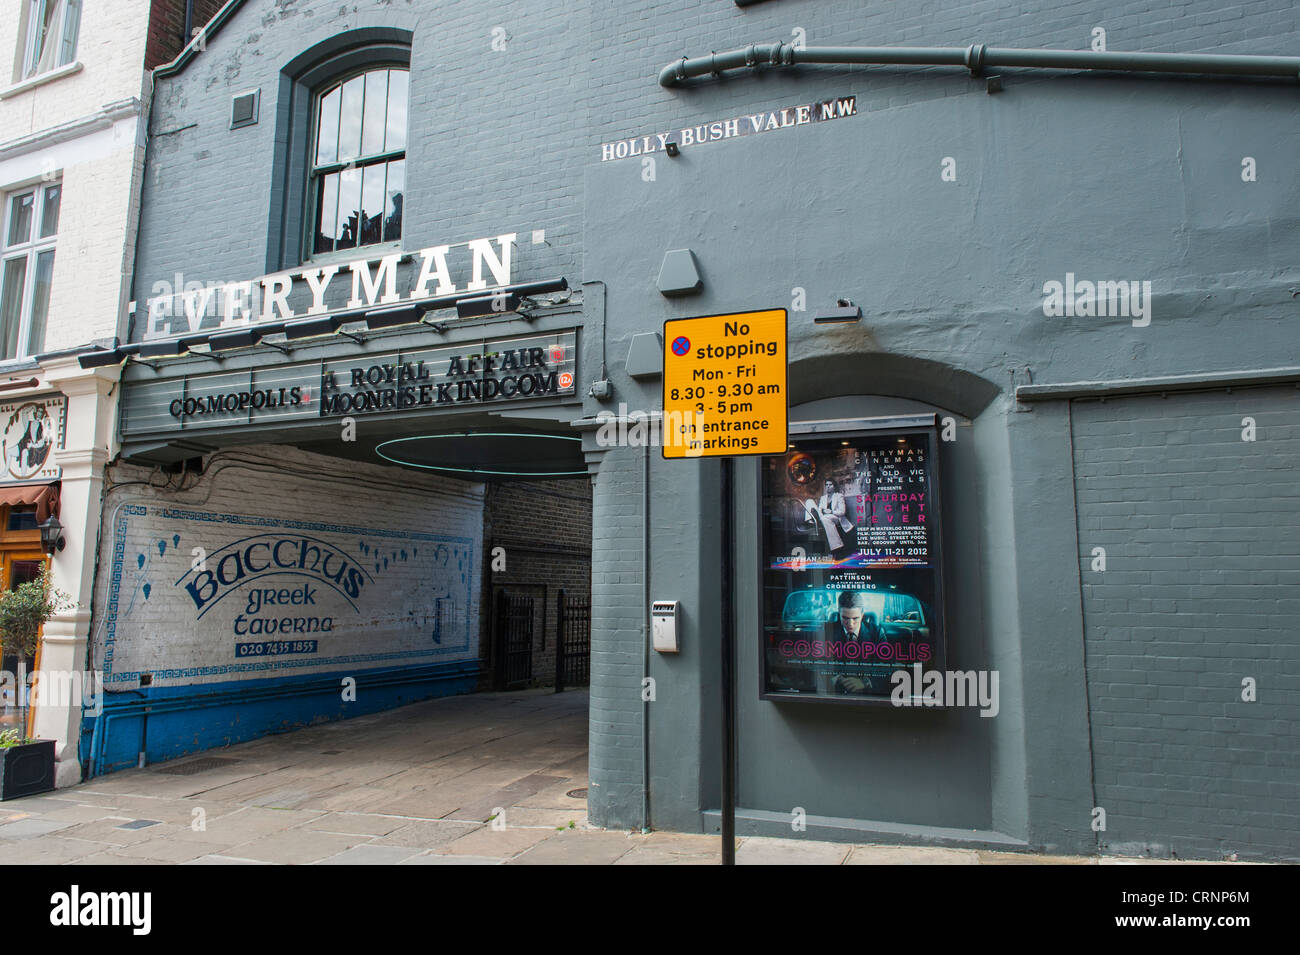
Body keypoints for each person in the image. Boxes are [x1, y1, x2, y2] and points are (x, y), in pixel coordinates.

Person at [821, 591, 884, 695]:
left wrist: (865, 682)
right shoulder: (826, 631)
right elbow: (816, 665)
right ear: (839, 613)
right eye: (845, 618)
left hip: (867, 695)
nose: (850, 624)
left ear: (862, 614)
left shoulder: (877, 633)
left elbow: (889, 669)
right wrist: (834, 678)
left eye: (855, 618)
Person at [801, 478, 855, 560]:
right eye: (826, 485)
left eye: (830, 485)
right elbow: (820, 509)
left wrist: (831, 511)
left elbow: (842, 512)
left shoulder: (839, 496)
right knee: (809, 501)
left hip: (835, 517)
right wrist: (821, 511)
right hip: (823, 516)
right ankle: (810, 522)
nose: (828, 486)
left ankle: (838, 548)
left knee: (826, 518)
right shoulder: (823, 498)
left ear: (834, 486)